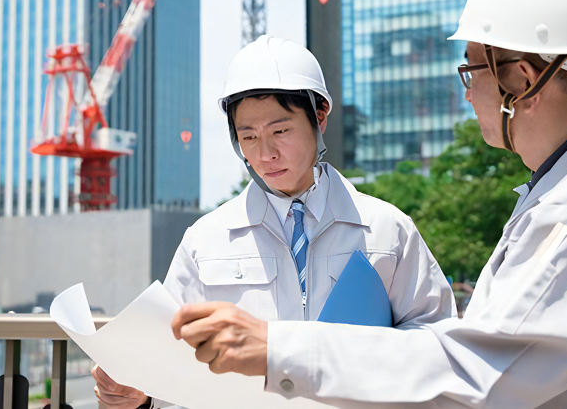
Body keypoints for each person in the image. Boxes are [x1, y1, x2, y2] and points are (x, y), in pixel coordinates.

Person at [169, 0, 567, 407]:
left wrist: (279, 349)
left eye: (471, 70)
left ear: (521, 80)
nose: (467, 93)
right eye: (248, 136)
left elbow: (475, 372)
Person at [92, 35, 456, 409]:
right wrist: (140, 393)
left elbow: (439, 347)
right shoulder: (206, 241)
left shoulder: (387, 230)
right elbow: (167, 360)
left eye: (280, 131)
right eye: (248, 136)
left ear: (320, 117)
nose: (265, 154)